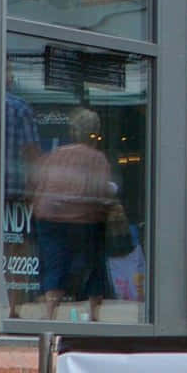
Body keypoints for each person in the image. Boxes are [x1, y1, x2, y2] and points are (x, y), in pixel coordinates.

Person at [29, 106, 117, 312]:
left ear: (73, 131)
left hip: (49, 217)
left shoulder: (57, 154)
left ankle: (50, 312)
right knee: (95, 260)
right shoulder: (98, 159)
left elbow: (40, 185)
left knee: (54, 264)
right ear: (95, 132)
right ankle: (95, 310)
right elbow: (100, 193)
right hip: (83, 219)